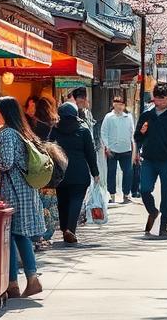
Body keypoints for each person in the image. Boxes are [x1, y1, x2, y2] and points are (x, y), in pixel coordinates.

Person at [0, 96, 47, 297]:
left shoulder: (7, 134)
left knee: (16, 235)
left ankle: (31, 279)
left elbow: (5, 163)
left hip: (14, 191)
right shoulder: (20, 132)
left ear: (4, 112)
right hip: (22, 189)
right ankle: (14, 283)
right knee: (15, 234)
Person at [134, 82, 167, 238]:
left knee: (165, 193)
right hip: (148, 159)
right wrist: (142, 132)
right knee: (144, 189)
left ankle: (163, 225)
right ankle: (153, 212)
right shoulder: (146, 115)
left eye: (163, 99)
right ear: (153, 98)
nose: (159, 102)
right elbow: (137, 137)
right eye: (157, 99)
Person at [50, 102, 100, 243]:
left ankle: (65, 227)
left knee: (62, 201)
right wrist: (95, 172)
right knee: (76, 201)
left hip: (60, 173)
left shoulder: (54, 131)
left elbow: (48, 150)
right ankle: (70, 229)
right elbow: (90, 154)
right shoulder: (83, 131)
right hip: (79, 173)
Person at [28, 97, 61, 250]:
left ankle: (37, 235)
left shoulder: (32, 123)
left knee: (37, 202)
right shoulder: (52, 122)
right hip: (47, 162)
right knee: (48, 203)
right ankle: (45, 236)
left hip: (34, 164)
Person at [101, 95, 136, 203]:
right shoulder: (108, 117)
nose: (120, 107)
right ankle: (112, 195)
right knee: (111, 172)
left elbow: (132, 133)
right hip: (112, 149)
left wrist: (134, 148)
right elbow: (104, 132)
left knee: (128, 172)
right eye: (118, 104)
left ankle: (126, 194)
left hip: (126, 149)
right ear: (113, 104)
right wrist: (107, 146)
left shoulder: (128, 117)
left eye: (122, 104)